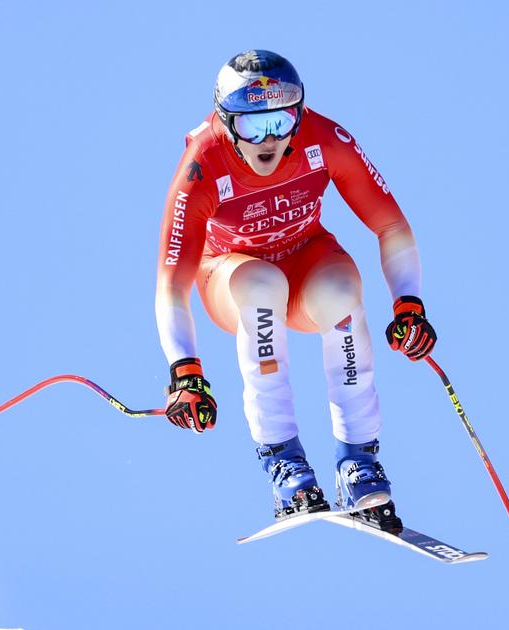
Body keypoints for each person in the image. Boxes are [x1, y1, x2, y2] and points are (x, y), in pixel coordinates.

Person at [154, 50, 436, 531]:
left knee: (343, 293)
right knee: (263, 286)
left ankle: (359, 462)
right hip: (230, 275)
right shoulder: (202, 164)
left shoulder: (325, 139)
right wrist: (186, 370)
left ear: (299, 113)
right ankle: (284, 462)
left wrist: (408, 303)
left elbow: (391, 225)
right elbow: (171, 285)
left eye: (281, 121)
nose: (269, 141)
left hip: (304, 256)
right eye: (252, 127)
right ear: (226, 123)